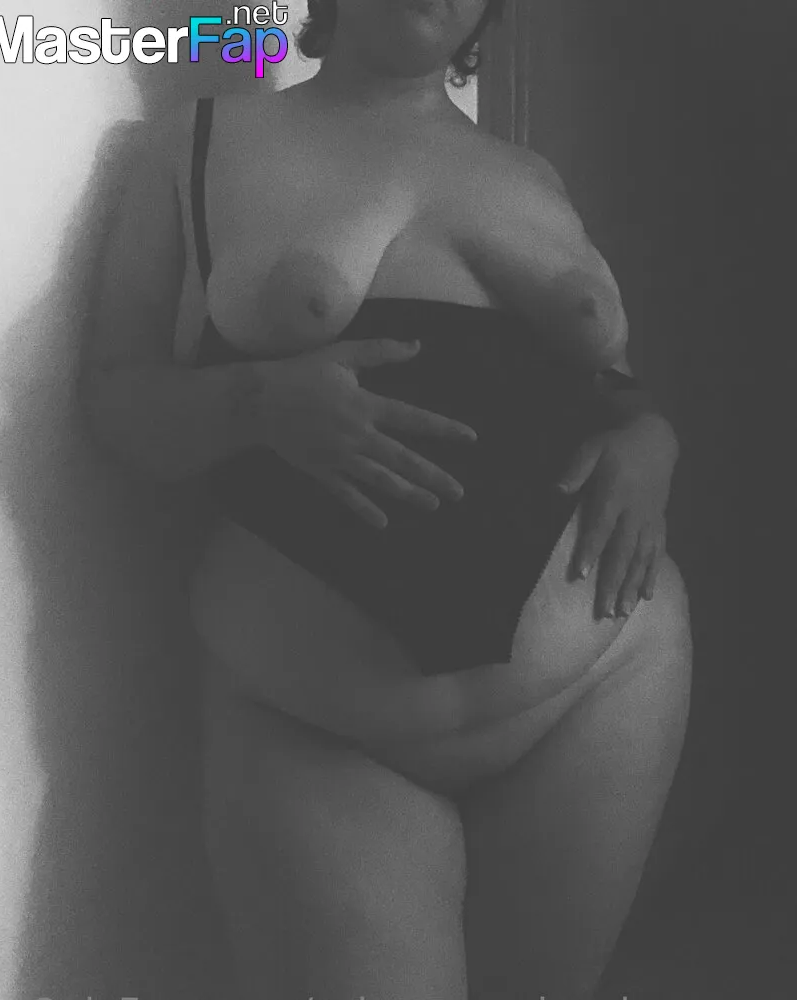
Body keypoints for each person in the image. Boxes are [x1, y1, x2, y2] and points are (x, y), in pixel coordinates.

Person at [80, 1, 692, 996]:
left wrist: (653, 435)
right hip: (317, 724)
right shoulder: (192, 145)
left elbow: (605, 386)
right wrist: (255, 400)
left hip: (600, 683)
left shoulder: (530, 173)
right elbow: (112, 402)